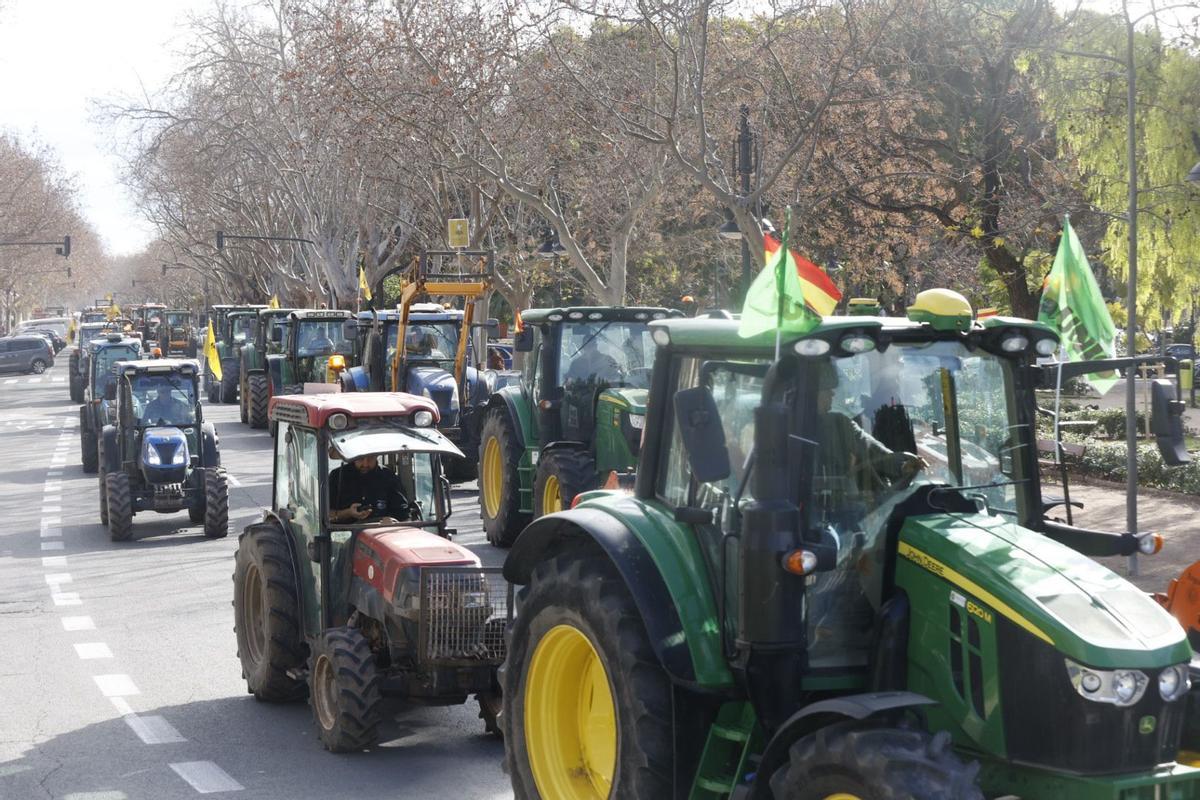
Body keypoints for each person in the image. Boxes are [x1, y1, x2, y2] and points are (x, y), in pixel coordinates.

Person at [814, 362, 924, 488]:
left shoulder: (839, 423)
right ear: (809, 394)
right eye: (825, 389)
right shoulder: (788, 429)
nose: (832, 394)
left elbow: (870, 447)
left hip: (841, 499)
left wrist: (901, 464)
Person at [328, 454, 411, 523]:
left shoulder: (389, 477)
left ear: (377, 456)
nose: (365, 464)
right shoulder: (337, 476)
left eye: (371, 458)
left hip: (380, 535)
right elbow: (326, 515)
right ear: (353, 456)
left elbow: (404, 516)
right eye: (360, 458)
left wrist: (392, 522)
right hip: (343, 535)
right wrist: (348, 513)